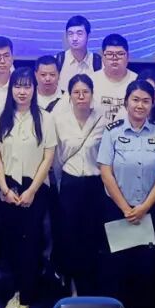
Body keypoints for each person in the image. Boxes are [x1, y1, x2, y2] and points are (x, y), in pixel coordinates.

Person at [97, 80, 155, 308]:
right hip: (117, 210)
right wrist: (125, 207)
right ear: (126, 102)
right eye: (135, 100)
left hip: (148, 212)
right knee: (116, 267)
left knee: (145, 269)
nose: (140, 105)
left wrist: (144, 207)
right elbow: (105, 171)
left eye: (145, 101)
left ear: (152, 104)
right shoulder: (112, 132)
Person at [0, 68, 58, 308]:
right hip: (8, 188)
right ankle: (17, 291)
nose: (22, 91)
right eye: (17, 86)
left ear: (34, 88)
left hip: (35, 189)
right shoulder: (1, 116)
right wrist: (4, 188)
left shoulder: (45, 118)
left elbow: (48, 157)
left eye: (27, 86)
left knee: (30, 245)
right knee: (10, 243)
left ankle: (25, 305)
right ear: (11, 89)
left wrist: (31, 191)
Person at [53, 73, 105, 296]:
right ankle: (72, 285)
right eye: (76, 92)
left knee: (92, 235)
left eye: (85, 92)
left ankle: (91, 286)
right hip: (69, 184)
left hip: (95, 185)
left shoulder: (102, 119)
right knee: (69, 235)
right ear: (70, 95)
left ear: (92, 94)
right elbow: (56, 158)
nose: (81, 96)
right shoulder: (59, 120)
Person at [91, 34, 138, 122]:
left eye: (120, 54)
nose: (114, 58)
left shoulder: (137, 81)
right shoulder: (91, 81)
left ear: (128, 56)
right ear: (102, 57)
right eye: (109, 54)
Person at [56, 15, 102, 90]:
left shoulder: (98, 62)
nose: (74, 38)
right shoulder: (58, 61)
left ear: (88, 36)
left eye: (79, 33)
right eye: (70, 34)